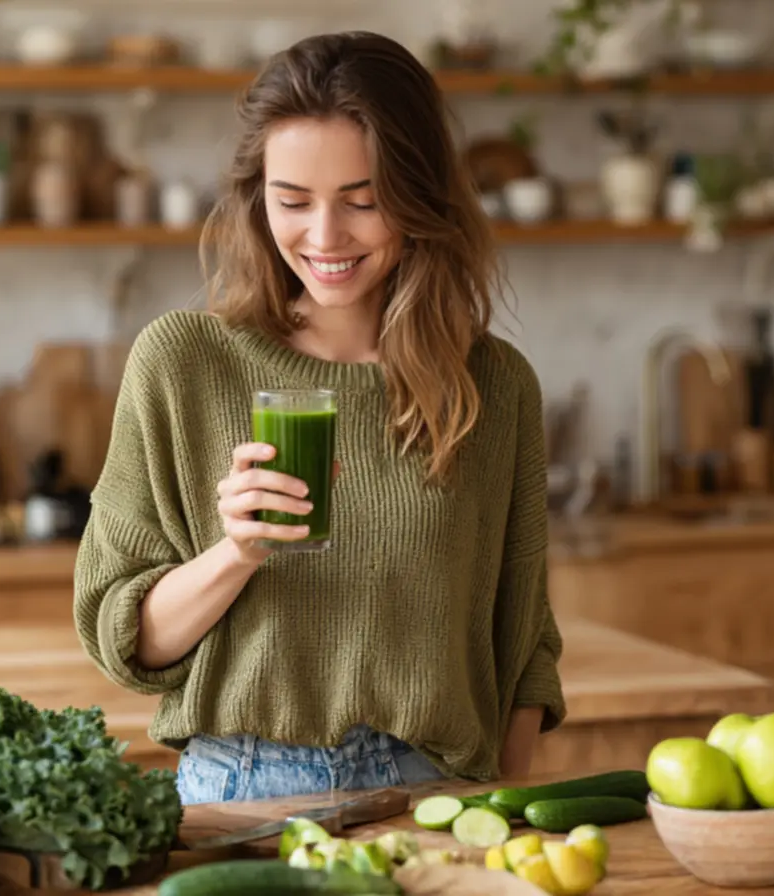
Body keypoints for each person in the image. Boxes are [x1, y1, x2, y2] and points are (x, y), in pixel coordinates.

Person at [73, 30, 566, 806]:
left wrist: (496, 817)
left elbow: (523, 647)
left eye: (364, 202)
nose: (325, 237)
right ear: (255, 196)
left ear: (419, 197)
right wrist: (235, 552)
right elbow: (125, 639)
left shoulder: (493, 387)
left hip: (433, 791)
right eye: (293, 202)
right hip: (242, 788)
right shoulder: (183, 362)